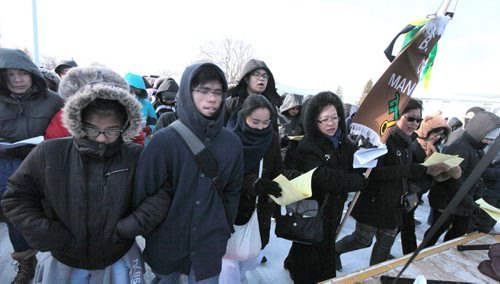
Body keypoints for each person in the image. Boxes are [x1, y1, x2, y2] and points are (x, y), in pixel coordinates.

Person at [1, 66, 170, 283]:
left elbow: (161, 193)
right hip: (63, 261)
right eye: (93, 128)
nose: (101, 138)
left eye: (111, 130)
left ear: (125, 125)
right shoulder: (49, 153)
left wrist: (130, 227)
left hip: (118, 257)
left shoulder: (136, 156)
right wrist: (50, 234)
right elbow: (17, 198)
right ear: (79, 121)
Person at [134, 63, 244, 283]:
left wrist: (223, 227)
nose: (211, 98)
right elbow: (144, 194)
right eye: (203, 90)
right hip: (167, 244)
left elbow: (233, 192)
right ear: (187, 91)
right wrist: (155, 234)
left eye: (217, 92)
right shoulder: (164, 140)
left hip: (210, 245)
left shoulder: (232, 143)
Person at [336, 98, 453, 268]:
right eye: (410, 118)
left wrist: (429, 174)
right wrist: (415, 169)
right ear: (397, 117)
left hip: (395, 206)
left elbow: (408, 175)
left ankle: (376, 278)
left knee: (383, 248)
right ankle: (335, 251)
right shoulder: (382, 139)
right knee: (362, 240)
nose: (414, 123)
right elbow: (373, 173)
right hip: (374, 203)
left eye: (418, 120)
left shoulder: (409, 143)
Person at [284, 91, 366, 283]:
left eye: (334, 117)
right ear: (314, 121)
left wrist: (368, 157)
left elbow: (356, 165)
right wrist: (355, 181)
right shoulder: (307, 145)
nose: (331, 123)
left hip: (334, 208)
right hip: (314, 208)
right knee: (311, 247)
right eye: (325, 120)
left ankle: (292, 263)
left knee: (316, 242)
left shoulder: (345, 143)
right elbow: (322, 178)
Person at [0, 48, 64, 283]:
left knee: (52, 213)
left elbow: (67, 132)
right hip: (4, 167)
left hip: (42, 164)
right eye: (10, 75)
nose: (16, 80)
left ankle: (60, 258)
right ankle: (26, 261)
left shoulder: (54, 100)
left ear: (32, 75)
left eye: (22, 74)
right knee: (14, 213)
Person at [220, 94, 300, 283]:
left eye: (266, 122)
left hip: (260, 210)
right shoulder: (230, 137)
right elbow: (226, 175)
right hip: (233, 209)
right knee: (229, 260)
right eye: (255, 121)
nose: (261, 127)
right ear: (243, 116)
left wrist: (291, 179)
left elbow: (277, 168)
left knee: (253, 255)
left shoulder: (271, 137)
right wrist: (254, 183)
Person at [426, 111, 500, 246]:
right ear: (479, 132)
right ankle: (421, 256)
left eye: (492, 139)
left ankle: (446, 253)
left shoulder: (477, 148)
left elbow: (476, 175)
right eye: (488, 138)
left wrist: (477, 197)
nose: (489, 142)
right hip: (448, 202)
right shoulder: (460, 147)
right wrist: (468, 200)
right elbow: (453, 180)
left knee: (457, 234)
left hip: (462, 202)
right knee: (436, 231)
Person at [401, 112, 452, 254]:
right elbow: (409, 168)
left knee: (401, 226)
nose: (437, 136)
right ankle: (410, 255)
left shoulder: (432, 146)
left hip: (418, 191)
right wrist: (428, 169)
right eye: (435, 132)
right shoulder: (414, 143)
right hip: (408, 191)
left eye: (441, 134)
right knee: (407, 227)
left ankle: (404, 254)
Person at [224, 59, 282, 132]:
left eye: (264, 76)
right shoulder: (232, 103)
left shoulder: (270, 106)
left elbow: (274, 134)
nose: (261, 79)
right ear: (246, 79)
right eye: (257, 75)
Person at [124, 72, 157, 145]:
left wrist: (148, 129)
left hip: (142, 142)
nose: (133, 94)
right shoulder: (118, 102)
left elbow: (154, 123)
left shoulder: (147, 104)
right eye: (131, 90)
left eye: (137, 91)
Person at [278, 93, 304, 169]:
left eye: (297, 109)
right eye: (293, 108)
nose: (295, 111)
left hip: (292, 151)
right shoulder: (279, 117)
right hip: (279, 149)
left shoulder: (299, 120)